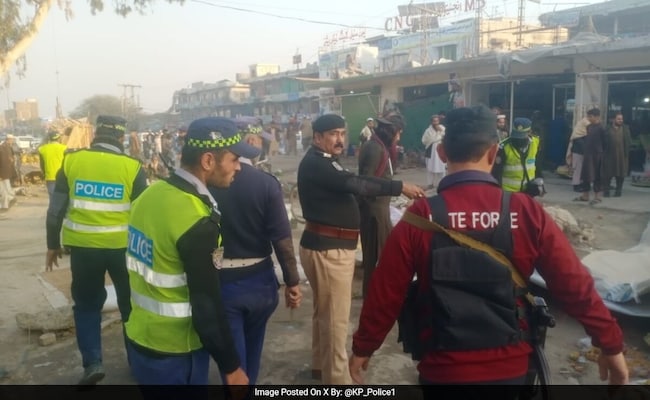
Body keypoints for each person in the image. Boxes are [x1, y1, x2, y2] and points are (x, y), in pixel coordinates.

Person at [349, 105, 628, 393]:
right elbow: (574, 283)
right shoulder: (525, 211)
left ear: (442, 154)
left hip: (443, 371)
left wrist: (364, 347)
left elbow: (386, 291)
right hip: (511, 370)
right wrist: (610, 341)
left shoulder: (420, 217)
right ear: (494, 154)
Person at [123, 117, 256, 387]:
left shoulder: (149, 195)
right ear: (208, 161)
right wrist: (231, 367)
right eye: (234, 159)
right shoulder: (197, 220)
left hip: (139, 338)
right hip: (177, 351)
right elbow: (206, 303)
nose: (239, 167)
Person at [297, 113, 425, 384]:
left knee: (325, 313)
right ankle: (339, 381)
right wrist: (399, 186)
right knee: (336, 321)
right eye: (332, 134)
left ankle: (322, 367)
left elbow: (351, 181)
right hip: (329, 250)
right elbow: (357, 183)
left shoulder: (326, 162)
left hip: (328, 246)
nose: (339, 139)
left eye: (342, 133)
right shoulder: (317, 164)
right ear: (318, 137)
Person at [45, 115, 148, 385]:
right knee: (131, 306)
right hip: (123, 250)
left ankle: (92, 364)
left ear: (95, 135)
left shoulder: (72, 161)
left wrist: (52, 244)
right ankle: (137, 364)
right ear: (122, 138)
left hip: (83, 249)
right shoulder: (133, 167)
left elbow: (55, 210)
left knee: (88, 306)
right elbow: (144, 217)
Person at [209, 133, 302, 384]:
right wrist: (292, 282)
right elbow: (282, 240)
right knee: (252, 350)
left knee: (232, 363)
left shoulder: (204, 185)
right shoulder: (266, 184)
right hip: (261, 285)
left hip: (223, 284)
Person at [357, 117, 400, 298]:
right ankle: (372, 296)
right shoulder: (375, 148)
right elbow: (367, 182)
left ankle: (376, 293)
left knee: (383, 253)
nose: (399, 137)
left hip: (380, 208)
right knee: (374, 258)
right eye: (398, 133)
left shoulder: (380, 146)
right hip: (374, 211)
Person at [491, 117, 543, 195]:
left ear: (529, 132)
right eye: (516, 136)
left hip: (529, 191)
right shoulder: (503, 147)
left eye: (522, 136)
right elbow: (496, 172)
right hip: (508, 193)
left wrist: (539, 180)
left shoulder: (535, 143)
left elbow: (537, 164)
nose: (518, 139)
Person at [575, 108, 606, 205]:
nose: (588, 118)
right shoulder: (589, 127)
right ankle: (585, 196)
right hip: (588, 155)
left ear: (597, 117)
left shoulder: (601, 128)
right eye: (588, 116)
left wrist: (601, 153)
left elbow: (605, 143)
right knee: (586, 175)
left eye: (590, 116)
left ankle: (597, 197)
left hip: (597, 155)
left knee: (597, 176)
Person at [603, 112, 631, 197]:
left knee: (621, 175)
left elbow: (629, 141)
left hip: (622, 156)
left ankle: (618, 191)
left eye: (621, 119)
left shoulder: (625, 128)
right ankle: (606, 191)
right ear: (613, 119)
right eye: (618, 119)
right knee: (608, 174)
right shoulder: (607, 128)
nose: (620, 121)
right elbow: (603, 141)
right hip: (609, 156)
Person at [38, 130, 67, 199]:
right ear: (59, 138)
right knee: (62, 197)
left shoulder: (42, 149)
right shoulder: (64, 148)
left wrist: (44, 174)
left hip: (49, 176)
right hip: (62, 176)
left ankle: (53, 209)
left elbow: (42, 164)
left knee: (52, 197)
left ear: (49, 138)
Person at [421, 115, 446, 189]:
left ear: (439, 121)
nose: (435, 123)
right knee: (430, 168)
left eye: (437, 121)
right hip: (431, 151)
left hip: (440, 150)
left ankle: (442, 183)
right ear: (431, 122)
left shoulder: (443, 129)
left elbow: (445, 137)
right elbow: (424, 141)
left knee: (441, 168)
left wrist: (440, 132)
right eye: (434, 121)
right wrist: (436, 138)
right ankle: (430, 184)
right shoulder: (428, 131)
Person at [566, 114, 589, 192]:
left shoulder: (583, 128)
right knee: (577, 169)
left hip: (582, 152)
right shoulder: (578, 133)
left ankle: (580, 184)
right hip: (578, 152)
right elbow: (579, 142)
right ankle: (576, 185)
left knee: (581, 169)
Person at [0, 134, 17, 211]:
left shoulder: (7, 147)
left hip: (5, 172)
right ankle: (8, 202)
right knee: (4, 189)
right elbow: (3, 161)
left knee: (4, 188)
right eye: (12, 140)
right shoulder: (3, 147)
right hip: (4, 172)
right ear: (8, 139)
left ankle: (6, 204)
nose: (12, 141)